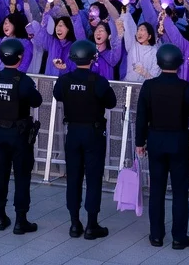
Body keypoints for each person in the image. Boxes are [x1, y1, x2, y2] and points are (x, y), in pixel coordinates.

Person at [135, 43, 189, 250]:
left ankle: (156, 235)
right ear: (180, 63)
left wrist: (140, 142)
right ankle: (178, 237)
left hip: (155, 141)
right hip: (178, 142)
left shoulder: (149, 86)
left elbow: (141, 117)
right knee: (180, 192)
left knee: (156, 190)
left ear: (158, 62)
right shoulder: (185, 87)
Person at [54, 38, 117, 240]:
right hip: (93, 134)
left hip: (72, 133)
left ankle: (74, 223)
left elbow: (58, 95)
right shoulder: (98, 81)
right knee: (93, 179)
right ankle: (91, 225)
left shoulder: (64, 80)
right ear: (93, 58)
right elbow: (111, 102)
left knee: (73, 178)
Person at [0, 37, 42, 233]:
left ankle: (0, 218)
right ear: (20, 57)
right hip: (19, 135)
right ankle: (21, 220)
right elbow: (37, 101)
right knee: (21, 177)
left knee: (0, 175)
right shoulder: (23, 81)